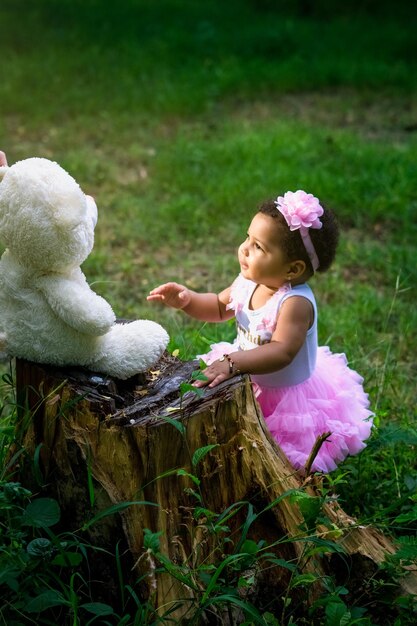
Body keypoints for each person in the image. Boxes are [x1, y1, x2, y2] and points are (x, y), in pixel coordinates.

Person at [152, 189, 373, 473]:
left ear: (293, 269)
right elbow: (219, 308)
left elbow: (282, 352)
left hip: (285, 395)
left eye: (259, 247)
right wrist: (188, 300)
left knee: (279, 454)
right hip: (244, 372)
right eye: (247, 238)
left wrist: (233, 363)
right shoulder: (247, 283)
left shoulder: (295, 303)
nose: (244, 248)